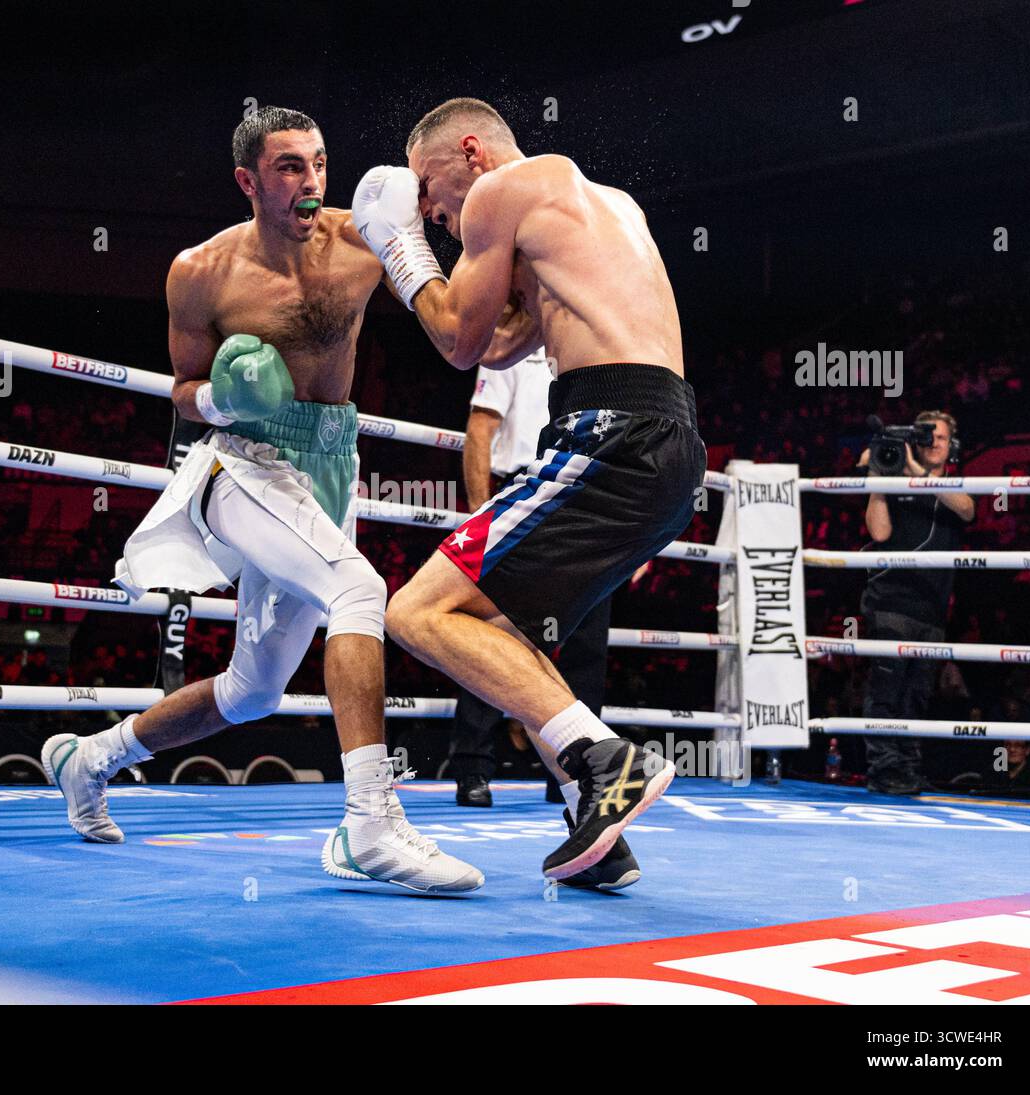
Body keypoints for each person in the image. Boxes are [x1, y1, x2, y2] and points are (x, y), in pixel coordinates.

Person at [42, 107, 481, 893]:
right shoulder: (201, 272)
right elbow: (183, 392)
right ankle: (368, 825)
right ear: (248, 180)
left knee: (251, 691)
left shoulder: (363, 239)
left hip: (330, 467)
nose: (311, 182)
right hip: (242, 464)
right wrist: (226, 397)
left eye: (318, 163)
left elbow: (454, 274)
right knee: (360, 588)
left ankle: (90, 757)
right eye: (289, 168)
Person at [351, 98, 705, 882]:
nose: (432, 210)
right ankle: (596, 819)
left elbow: (458, 342)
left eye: (427, 185)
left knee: (415, 610)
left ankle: (605, 760)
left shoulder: (498, 192)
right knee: (501, 627)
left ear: (470, 151)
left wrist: (401, 254)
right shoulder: (602, 206)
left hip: (609, 434)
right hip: (667, 446)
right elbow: (509, 342)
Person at [451, 350, 616, 826]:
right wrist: (485, 515)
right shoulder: (507, 352)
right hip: (524, 491)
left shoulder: (585, 355)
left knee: (585, 641)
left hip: (586, 496)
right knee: (494, 635)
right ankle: (473, 768)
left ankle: (577, 771)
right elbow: (480, 430)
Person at [858, 410, 974, 794]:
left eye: (940, 437)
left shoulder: (955, 485)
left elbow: (967, 509)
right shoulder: (895, 478)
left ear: (952, 444)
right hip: (891, 600)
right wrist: (879, 479)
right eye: (927, 437)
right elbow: (879, 530)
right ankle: (883, 770)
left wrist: (918, 474)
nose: (934, 443)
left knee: (917, 696)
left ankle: (906, 768)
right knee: (886, 691)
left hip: (933, 607)